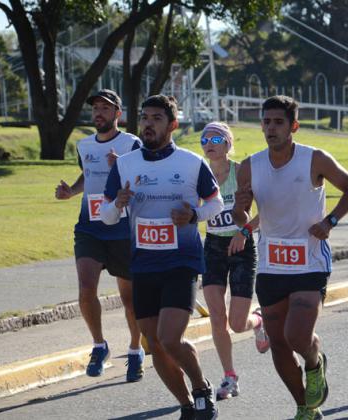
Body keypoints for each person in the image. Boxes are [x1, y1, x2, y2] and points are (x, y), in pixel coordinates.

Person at [233, 96, 348, 420]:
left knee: (297, 336)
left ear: (294, 126)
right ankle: (304, 406)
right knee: (278, 343)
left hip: (310, 261)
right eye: (266, 122)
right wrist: (240, 205)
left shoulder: (314, 159)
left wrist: (329, 221)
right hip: (272, 264)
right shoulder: (250, 165)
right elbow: (241, 216)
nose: (271, 128)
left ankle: (315, 361)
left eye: (278, 122)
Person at [100, 94, 223, 420]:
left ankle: (201, 389)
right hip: (143, 264)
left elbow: (216, 203)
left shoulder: (190, 162)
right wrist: (118, 204)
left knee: (170, 338)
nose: (148, 124)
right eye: (145, 117)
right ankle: (185, 404)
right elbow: (106, 216)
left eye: (156, 118)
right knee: (154, 343)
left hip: (180, 262)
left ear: (172, 124)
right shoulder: (126, 164)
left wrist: (194, 214)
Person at [54, 89, 146, 382]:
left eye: (105, 108)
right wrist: (72, 191)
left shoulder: (132, 143)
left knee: (130, 299)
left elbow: (143, 181)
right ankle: (99, 345)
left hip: (122, 228)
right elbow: (88, 176)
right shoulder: (83, 145)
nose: (98, 114)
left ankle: (134, 350)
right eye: (95, 108)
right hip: (90, 226)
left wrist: (121, 166)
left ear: (117, 114)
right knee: (85, 289)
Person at [198, 121, 270, 402]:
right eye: (205, 139)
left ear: (228, 144)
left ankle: (258, 320)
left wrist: (245, 231)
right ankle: (230, 377)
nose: (209, 144)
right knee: (217, 318)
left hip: (242, 247)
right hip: (213, 247)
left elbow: (266, 209)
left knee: (237, 324)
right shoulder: (198, 174)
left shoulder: (242, 172)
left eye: (216, 138)